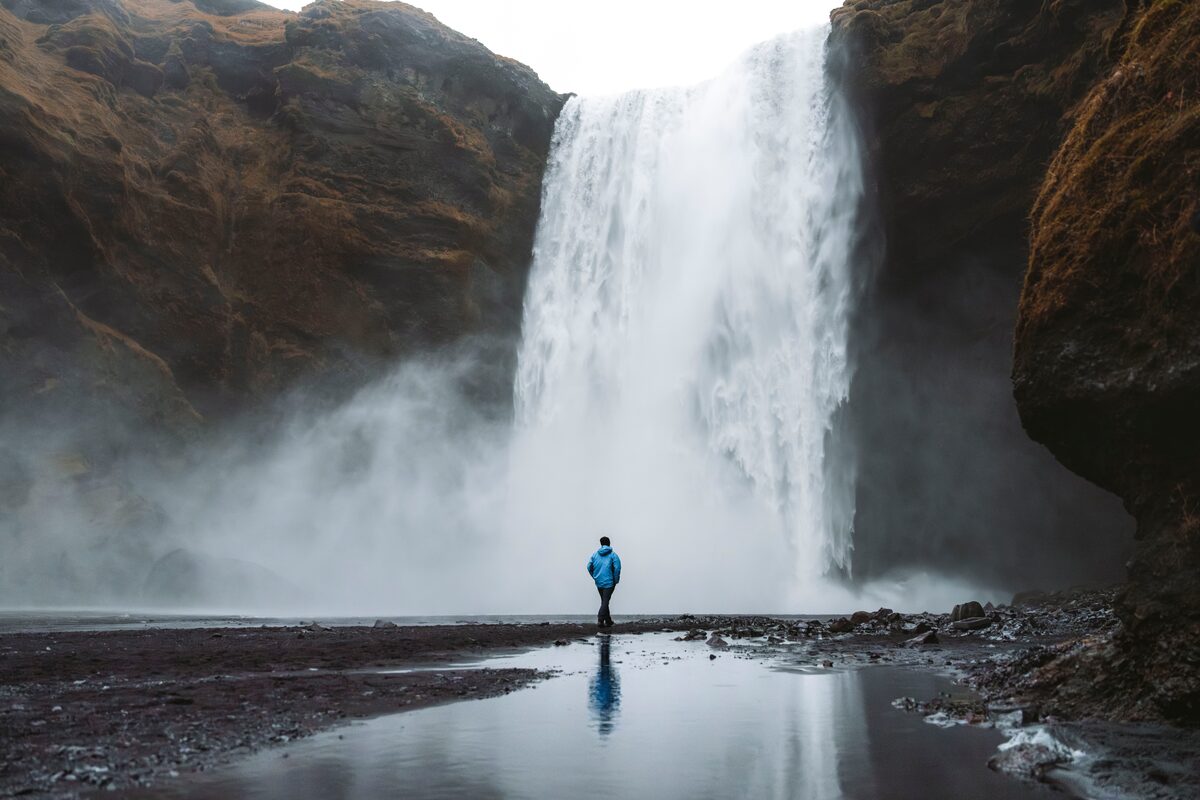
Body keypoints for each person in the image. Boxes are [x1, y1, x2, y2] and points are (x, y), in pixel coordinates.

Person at [586, 536, 621, 628]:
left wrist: (594, 576)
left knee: (604, 600)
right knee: (605, 601)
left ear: (601, 544)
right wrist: (615, 580)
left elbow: (589, 567)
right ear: (609, 543)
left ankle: (608, 621)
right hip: (609, 582)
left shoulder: (594, 555)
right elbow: (617, 568)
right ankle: (600, 620)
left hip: (599, 582)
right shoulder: (613, 555)